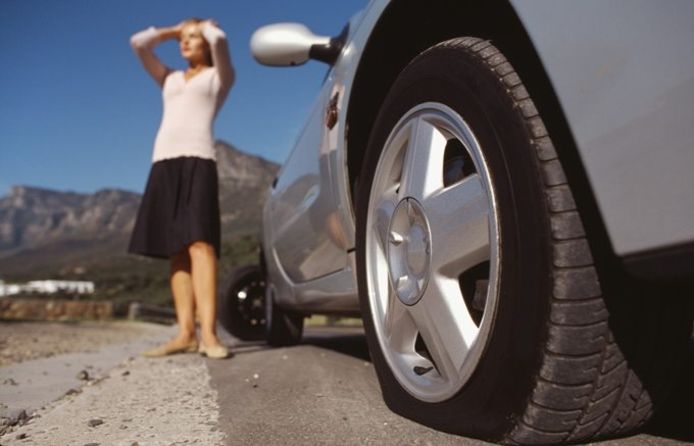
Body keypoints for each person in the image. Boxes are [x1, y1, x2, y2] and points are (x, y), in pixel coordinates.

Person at [128, 18, 235, 359]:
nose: (185, 43)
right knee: (175, 249)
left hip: (199, 161)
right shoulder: (169, 78)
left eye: (192, 38)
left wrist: (206, 29)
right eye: (182, 40)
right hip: (163, 162)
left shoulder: (219, 77)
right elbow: (138, 44)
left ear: (204, 41)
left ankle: (211, 335)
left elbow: (220, 41)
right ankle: (185, 333)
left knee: (201, 244)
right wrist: (172, 30)